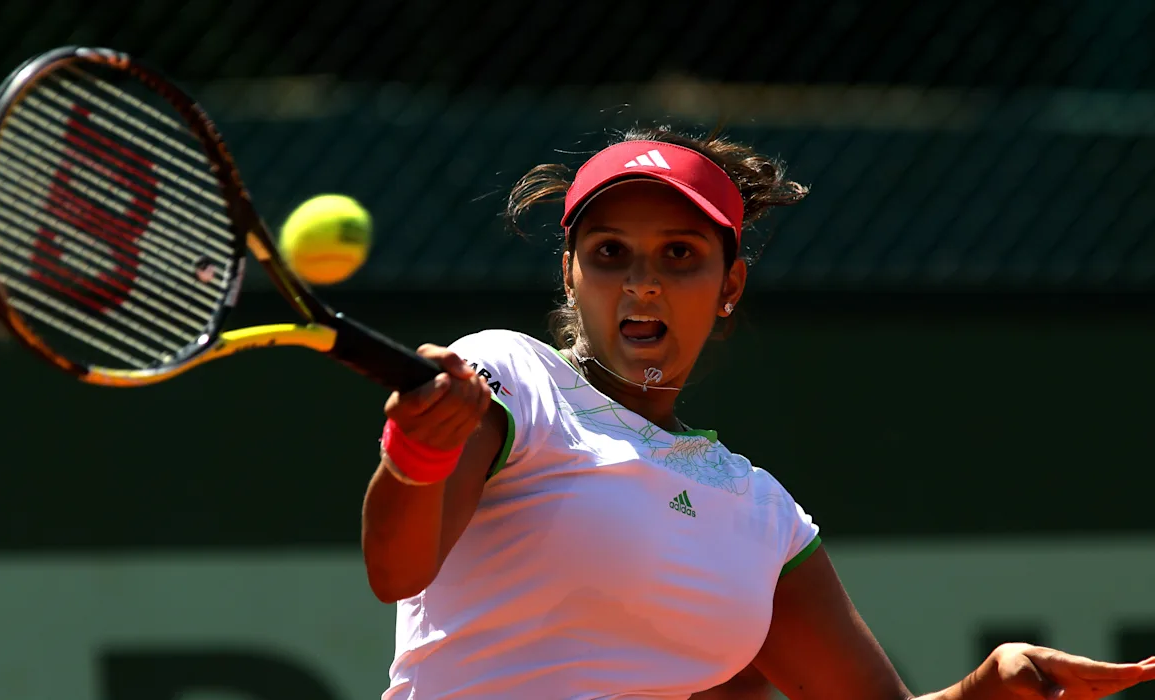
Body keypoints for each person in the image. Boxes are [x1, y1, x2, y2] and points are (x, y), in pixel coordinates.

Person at [361, 126, 1155, 699]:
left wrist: (989, 687)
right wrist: (417, 452)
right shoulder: (510, 374)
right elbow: (397, 571)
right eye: (609, 253)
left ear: (729, 285)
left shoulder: (762, 513)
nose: (642, 282)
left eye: (680, 254)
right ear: (569, 274)